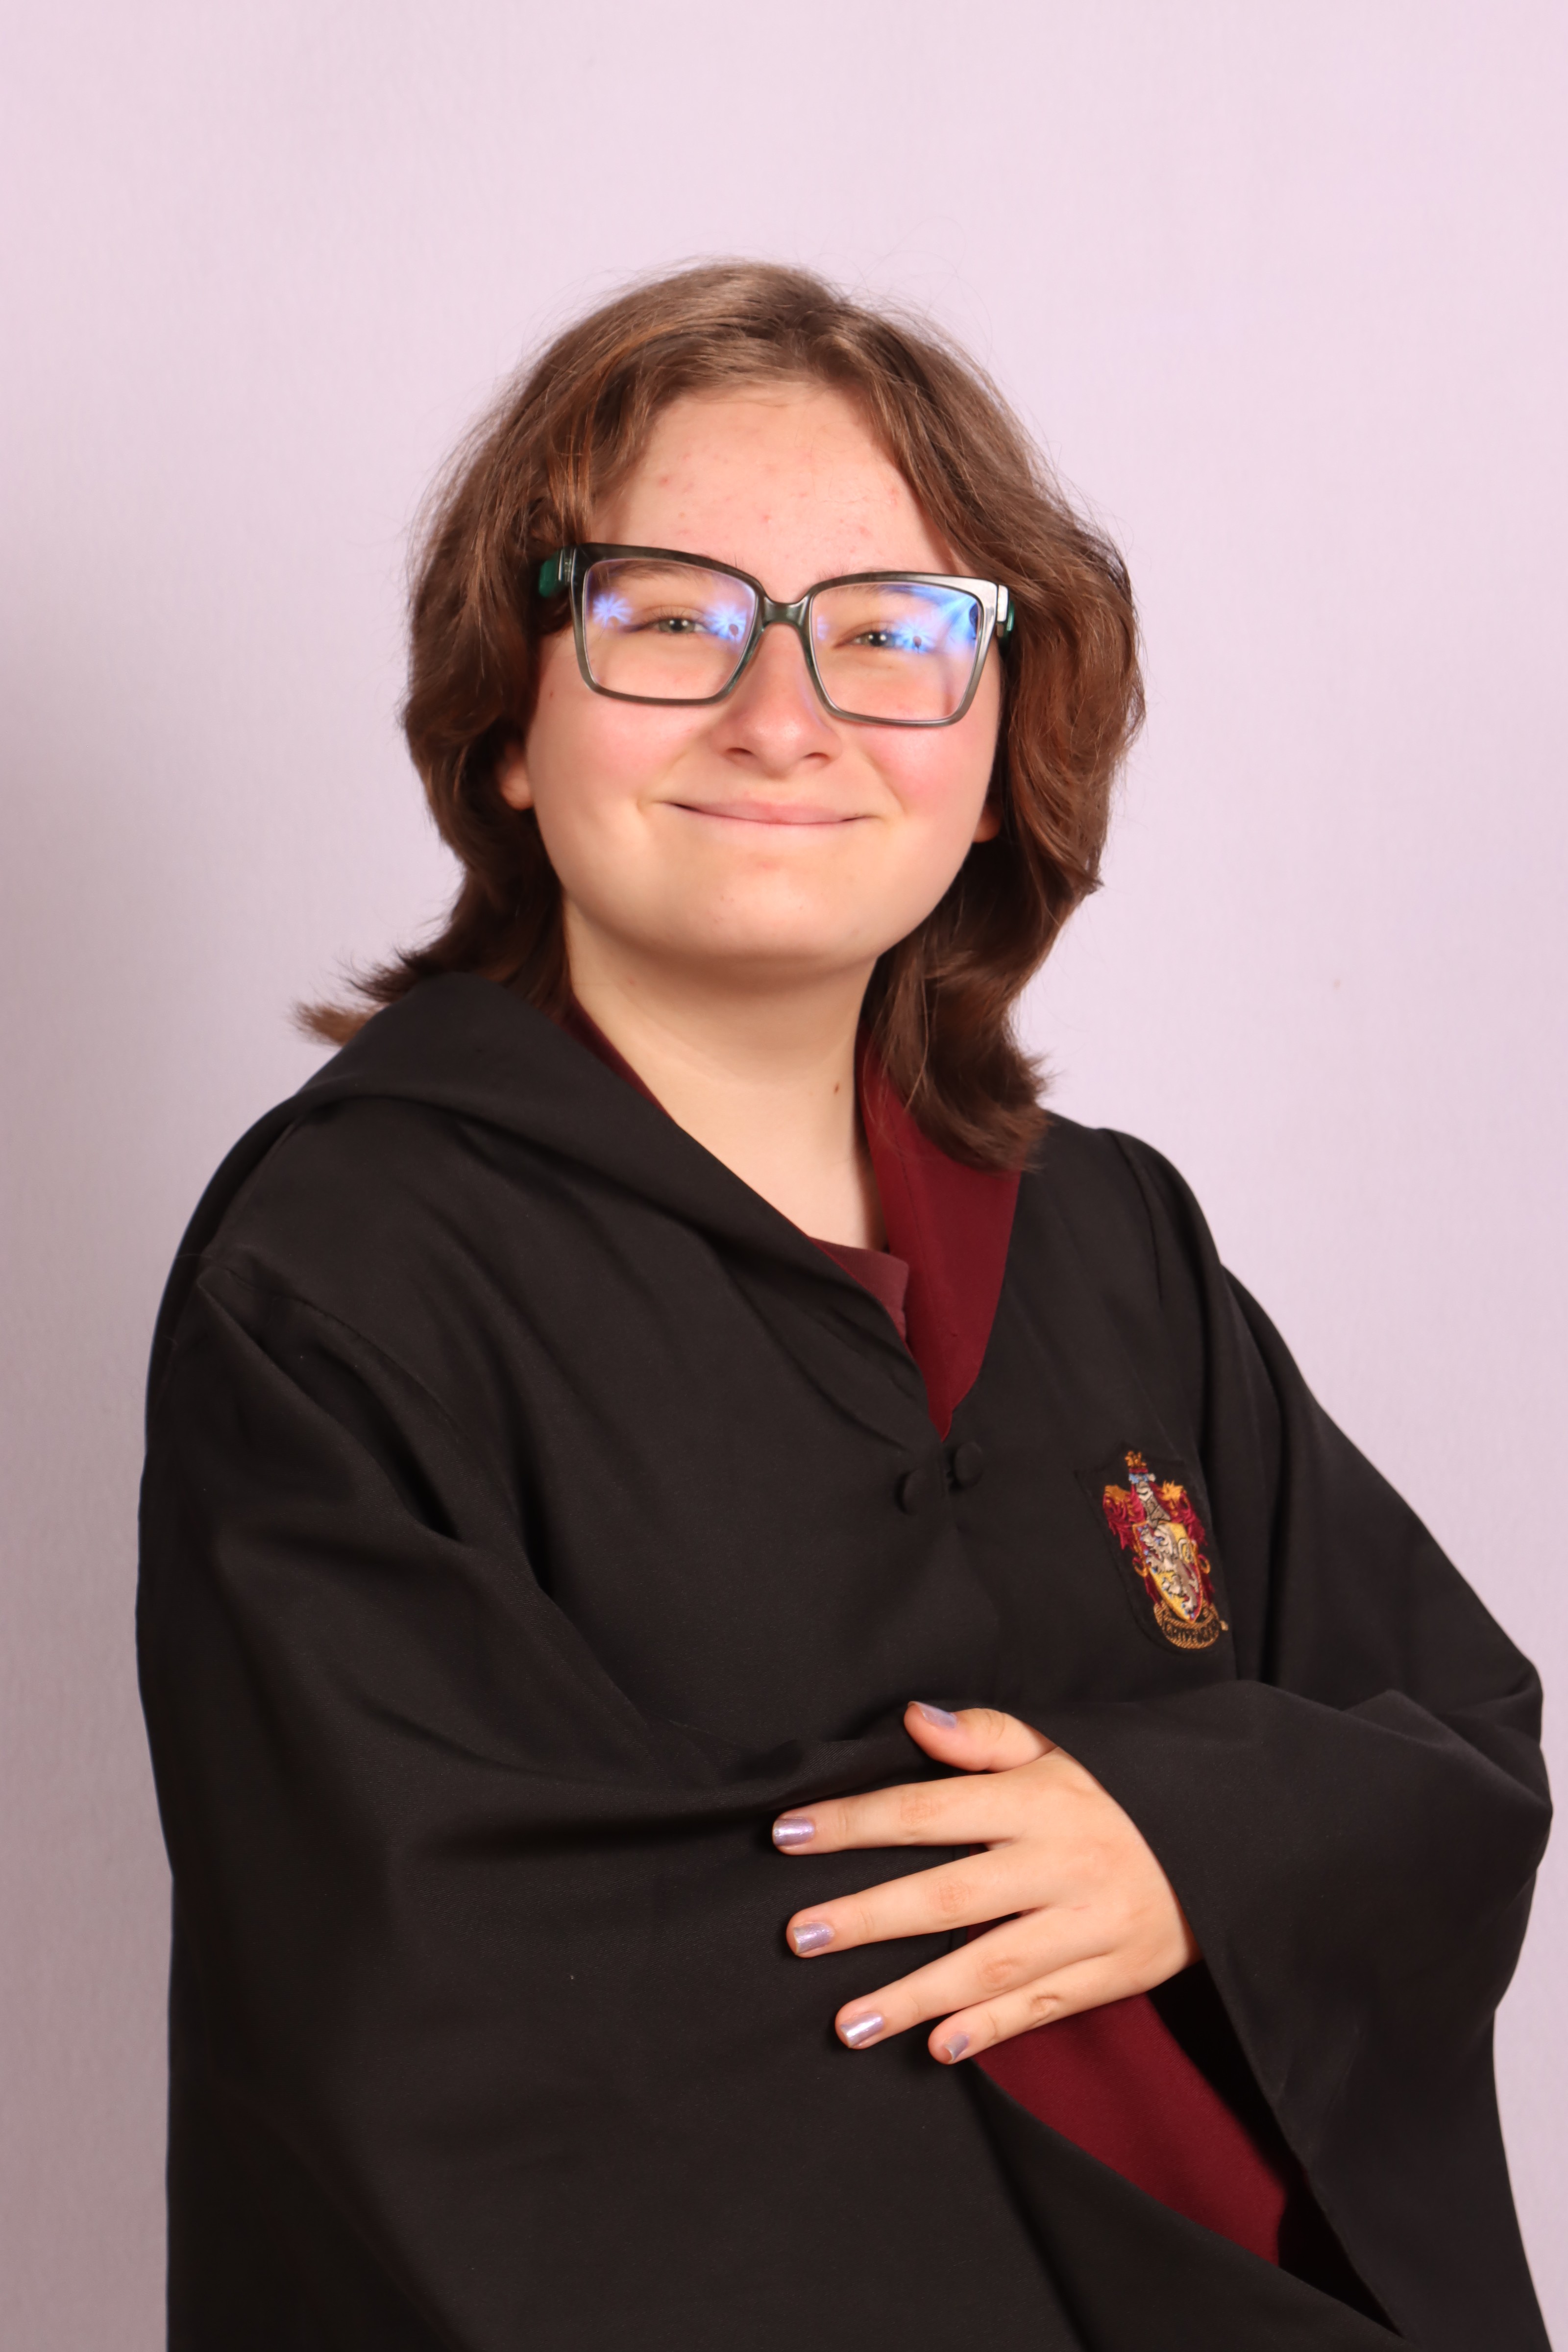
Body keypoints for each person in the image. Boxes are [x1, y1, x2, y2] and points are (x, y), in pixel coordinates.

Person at [137, 262, 1551, 2352]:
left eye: (891, 633)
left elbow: (1455, 1747)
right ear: (510, 718)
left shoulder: (1106, 1239)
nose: (780, 715)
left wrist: (1179, 1829)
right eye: (668, 619)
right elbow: (436, 2012)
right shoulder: (344, 1273)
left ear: (994, 746)